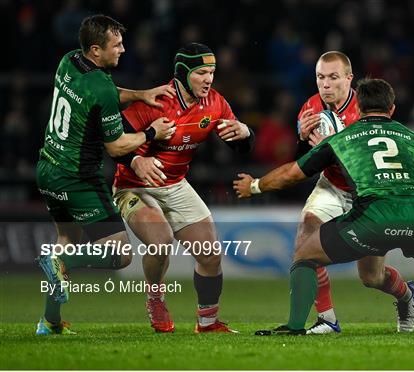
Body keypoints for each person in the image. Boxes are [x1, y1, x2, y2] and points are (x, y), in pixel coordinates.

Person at [234, 78, 414, 336]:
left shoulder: (341, 140)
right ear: (392, 109)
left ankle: (295, 327)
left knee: (305, 255)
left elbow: (291, 175)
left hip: (373, 219)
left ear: (358, 109)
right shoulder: (412, 138)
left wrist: (256, 186)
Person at [35, 14, 176, 335]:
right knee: (121, 254)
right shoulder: (101, 88)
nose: (123, 49)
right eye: (117, 45)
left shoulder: (69, 61)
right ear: (96, 50)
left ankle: (49, 322)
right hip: (78, 178)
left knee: (68, 239)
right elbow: (116, 147)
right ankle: (61, 265)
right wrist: (152, 133)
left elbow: (105, 94)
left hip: (48, 169)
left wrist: (140, 95)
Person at [112, 42, 254, 333]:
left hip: (176, 185)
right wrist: (137, 161)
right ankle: (155, 297)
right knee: (161, 240)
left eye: (212, 72)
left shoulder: (215, 103)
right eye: (201, 72)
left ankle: (208, 322)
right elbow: (115, 145)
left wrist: (245, 134)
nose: (209, 79)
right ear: (183, 73)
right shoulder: (155, 101)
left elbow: (241, 150)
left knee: (210, 254)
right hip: (134, 186)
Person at [295, 51, 414, 334]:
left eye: (333, 77)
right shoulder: (311, 108)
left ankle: (406, 294)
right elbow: (305, 162)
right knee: (307, 234)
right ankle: (327, 320)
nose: (325, 85)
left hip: (369, 193)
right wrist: (302, 140)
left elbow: (369, 167)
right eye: (320, 77)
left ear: (349, 79)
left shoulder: (367, 109)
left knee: (371, 277)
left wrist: (335, 148)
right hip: (333, 187)